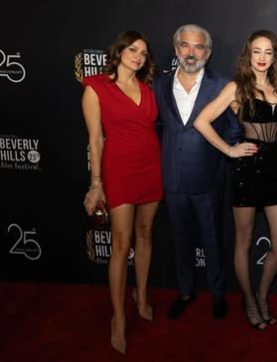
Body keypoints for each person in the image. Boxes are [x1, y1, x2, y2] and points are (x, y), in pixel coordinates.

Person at [194, 29, 277, 331]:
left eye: (268, 52)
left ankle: (262, 295)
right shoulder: (237, 87)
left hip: (273, 172)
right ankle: (248, 300)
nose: (262, 57)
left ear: (275, 57)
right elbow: (201, 121)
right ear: (248, 54)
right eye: (256, 51)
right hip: (247, 171)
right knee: (244, 241)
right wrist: (230, 150)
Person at [152, 24, 241, 321]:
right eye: (185, 45)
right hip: (173, 178)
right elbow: (160, 126)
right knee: (180, 239)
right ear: (176, 49)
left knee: (214, 240)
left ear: (208, 52)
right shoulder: (160, 85)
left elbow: (234, 129)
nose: (191, 52)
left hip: (209, 179)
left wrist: (221, 154)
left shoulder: (223, 85)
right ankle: (185, 291)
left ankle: (217, 294)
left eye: (199, 47)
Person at [82, 30, 162, 354]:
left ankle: (141, 295)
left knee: (146, 234)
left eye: (143, 52)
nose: (138, 56)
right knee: (120, 245)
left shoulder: (148, 89)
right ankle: (118, 317)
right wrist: (96, 183)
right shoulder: (96, 87)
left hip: (151, 167)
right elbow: (95, 139)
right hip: (119, 171)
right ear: (118, 52)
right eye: (132, 49)